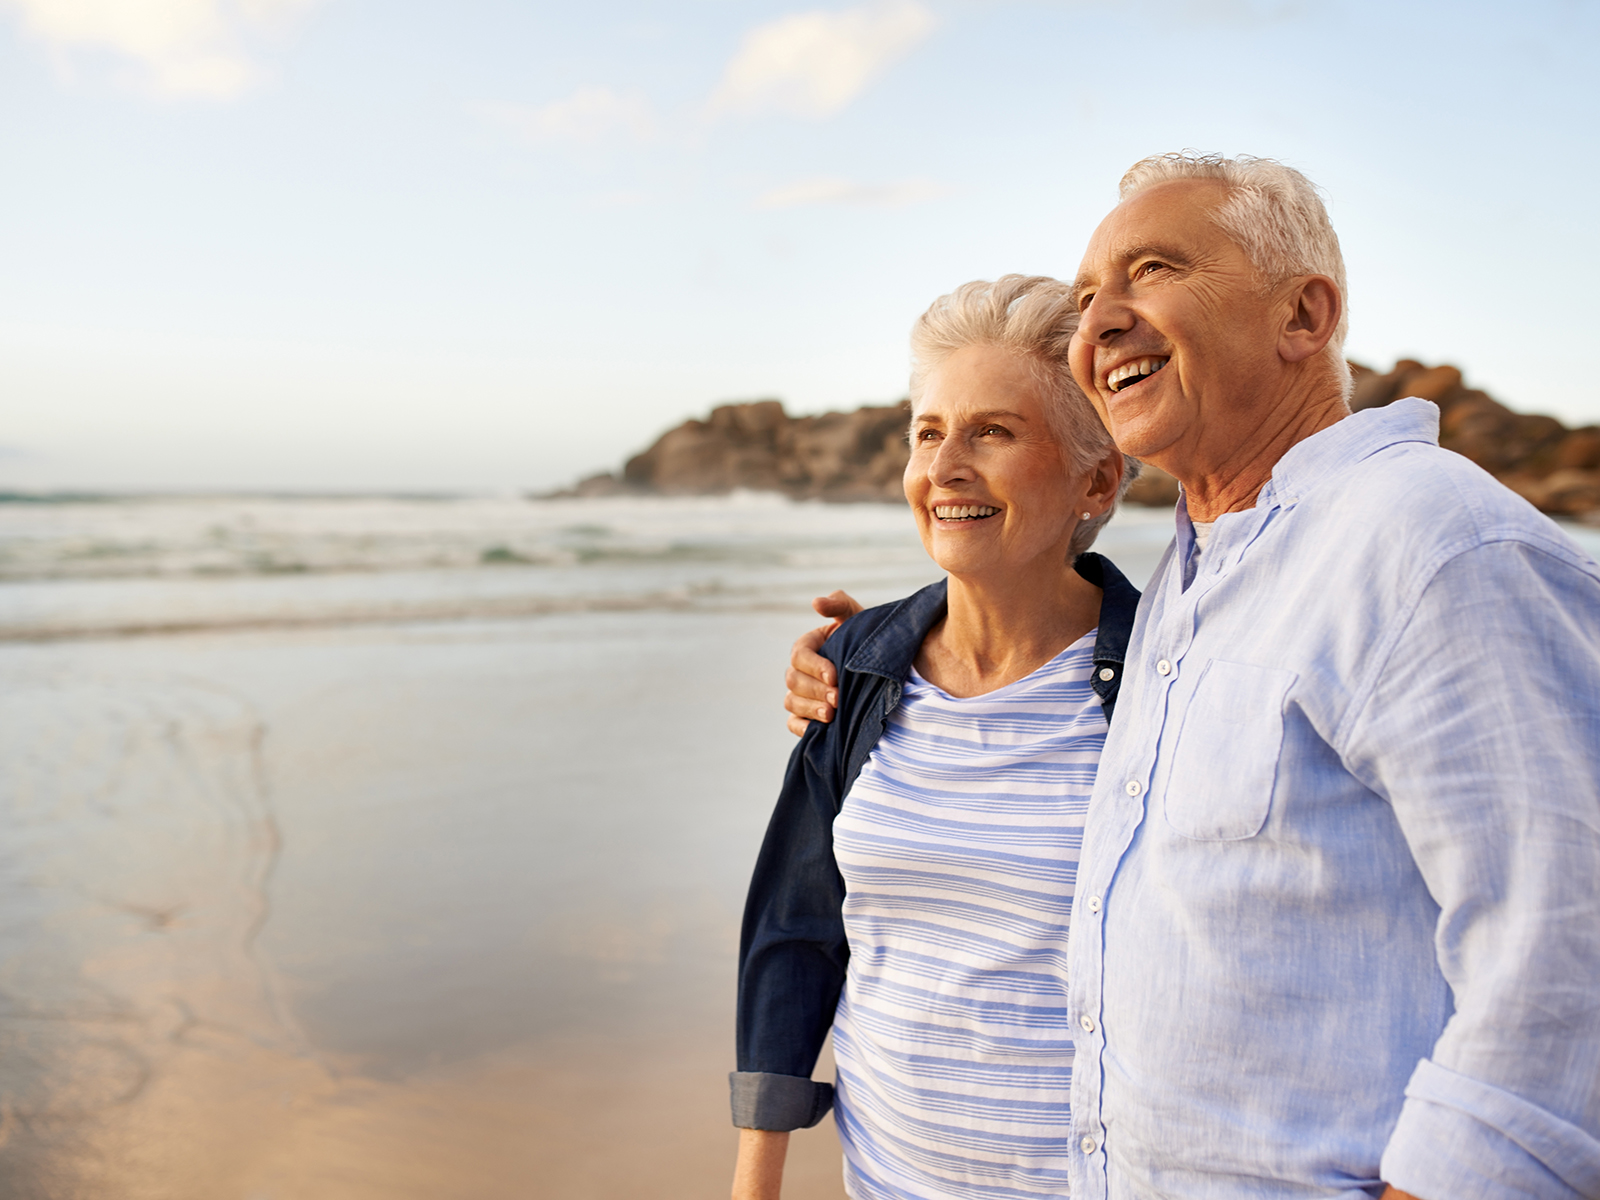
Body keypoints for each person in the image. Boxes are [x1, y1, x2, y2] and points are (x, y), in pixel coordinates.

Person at [784, 153, 1600, 1199]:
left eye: (1153, 269)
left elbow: (1567, 950)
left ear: (1304, 315)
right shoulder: (1188, 581)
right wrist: (869, 652)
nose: (1100, 322)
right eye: (1086, 300)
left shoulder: (1430, 543)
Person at [731, 275, 1143, 1200]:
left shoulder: (1167, 682)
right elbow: (797, 933)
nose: (945, 466)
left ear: (1099, 478)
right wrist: (755, 1181)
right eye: (928, 432)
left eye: (993, 432)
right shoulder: (857, 669)